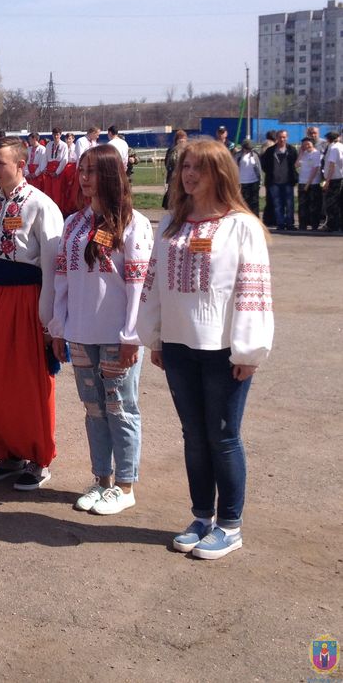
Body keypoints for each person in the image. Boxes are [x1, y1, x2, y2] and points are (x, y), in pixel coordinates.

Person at [139, 139, 273, 559]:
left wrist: (248, 351)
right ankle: (202, 516)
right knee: (193, 436)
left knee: (223, 437)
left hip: (223, 350)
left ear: (221, 173)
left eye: (199, 167)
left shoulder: (241, 226)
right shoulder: (171, 223)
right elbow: (154, 283)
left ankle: (230, 524)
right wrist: (155, 335)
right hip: (179, 347)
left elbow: (253, 290)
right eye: (185, 167)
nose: (190, 174)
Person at [50, 146, 153, 515]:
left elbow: (138, 286)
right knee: (94, 409)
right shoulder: (74, 223)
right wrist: (58, 327)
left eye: (92, 171)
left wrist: (131, 335)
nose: (85, 178)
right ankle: (101, 480)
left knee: (121, 408)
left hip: (115, 336)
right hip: (80, 333)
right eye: (82, 170)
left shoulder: (134, 224)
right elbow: (62, 280)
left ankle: (125, 485)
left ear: (112, 174)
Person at [0, 136, 64, 490]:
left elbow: (52, 267)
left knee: (29, 381)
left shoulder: (42, 205)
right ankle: (7, 452)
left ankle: (37, 457)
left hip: (26, 299)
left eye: (1, 164)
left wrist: (47, 318)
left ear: (21, 166)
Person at [260, 129, 297, 231]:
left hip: (288, 181)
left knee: (289, 204)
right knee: (277, 204)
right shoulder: (270, 150)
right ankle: (280, 223)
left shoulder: (292, 150)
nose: (282, 139)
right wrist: (271, 173)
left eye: (284, 137)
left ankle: (290, 224)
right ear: (276, 138)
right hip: (274, 182)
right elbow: (264, 164)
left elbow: (295, 162)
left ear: (287, 138)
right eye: (280, 137)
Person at [295, 138, 322, 232]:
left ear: (312, 144)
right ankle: (303, 225)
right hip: (302, 181)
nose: (306, 146)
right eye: (304, 145)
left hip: (313, 183)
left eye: (308, 144)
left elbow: (315, 169)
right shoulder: (304, 153)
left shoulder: (316, 153)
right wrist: (301, 153)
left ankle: (314, 225)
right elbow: (296, 165)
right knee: (302, 205)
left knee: (313, 205)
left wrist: (308, 183)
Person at [322, 130, 343, 232]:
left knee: (331, 203)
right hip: (338, 178)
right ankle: (337, 224)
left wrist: (327, 181)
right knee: (337, 202)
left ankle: (333, 225)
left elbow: (332, 165)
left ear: (328, 139)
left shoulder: (334, 148)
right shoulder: (340, 146)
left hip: (334, 179)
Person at [41, 128, 68, 205]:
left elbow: (64, 159)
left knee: (57, 192)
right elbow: (45, 157)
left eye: (57, 135)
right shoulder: (49, 145)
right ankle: (48, 208)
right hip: (49, 169)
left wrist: (57, 172)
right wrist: (43, 169)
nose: (56, 136)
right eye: (54, 135)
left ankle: (58, 210)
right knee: (48, 191)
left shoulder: (64, 145)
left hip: (58, 169)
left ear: (60, 135)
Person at [236, 139, 261, 216]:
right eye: (247, 148)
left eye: (250, 148)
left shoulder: (255, 155)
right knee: (242, 203)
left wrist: (260, 181)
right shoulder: (238, 156)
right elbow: (233, 167)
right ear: (243, 147)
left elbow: (259, 168)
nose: (249, 150)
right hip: (241, 182)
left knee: (254, 203)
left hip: (253, 182)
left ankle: (255, 219)